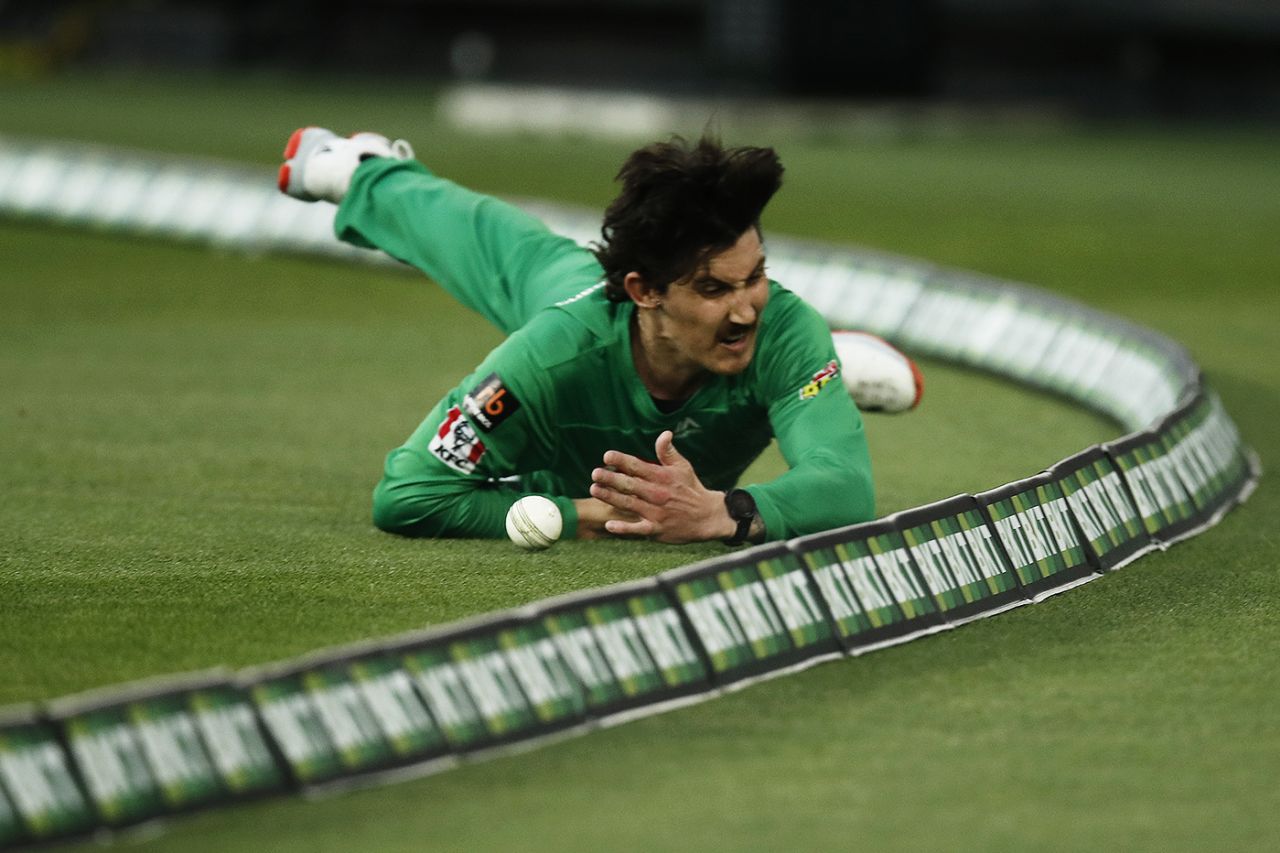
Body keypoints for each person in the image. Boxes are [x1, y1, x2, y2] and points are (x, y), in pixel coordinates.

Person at [278, 127, 920, 545]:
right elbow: (407, 495)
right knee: (490, 243)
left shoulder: (781, 326)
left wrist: (720, 513)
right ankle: (361, 171)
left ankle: (819, 375)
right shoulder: (547, 359)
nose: (748, 309)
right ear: (645, 290)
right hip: (576, 316)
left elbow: (846, 488)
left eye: (755, 277)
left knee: (787, 352)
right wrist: (576, 513)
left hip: (748, 363)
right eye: (713, 288)